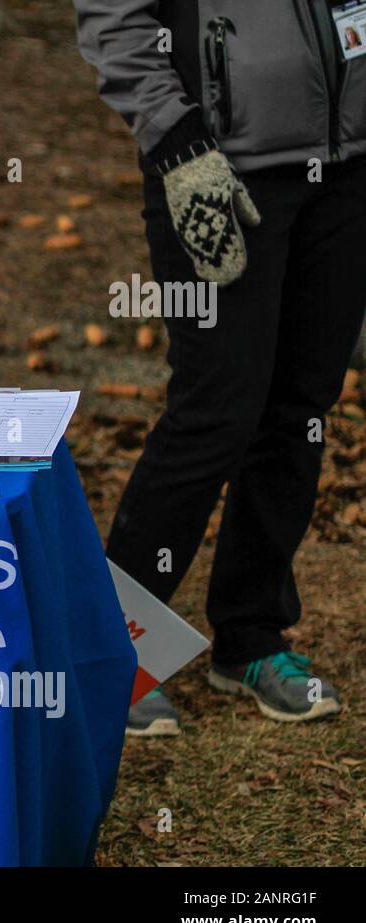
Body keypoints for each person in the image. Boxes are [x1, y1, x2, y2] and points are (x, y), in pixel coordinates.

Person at [74, 0, 365, 734]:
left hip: (348, 161)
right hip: (214, 165)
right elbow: (114, 16)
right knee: (215, 410)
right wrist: (175, 140)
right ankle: (110, 650)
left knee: (299, 407)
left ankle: (251, 638)